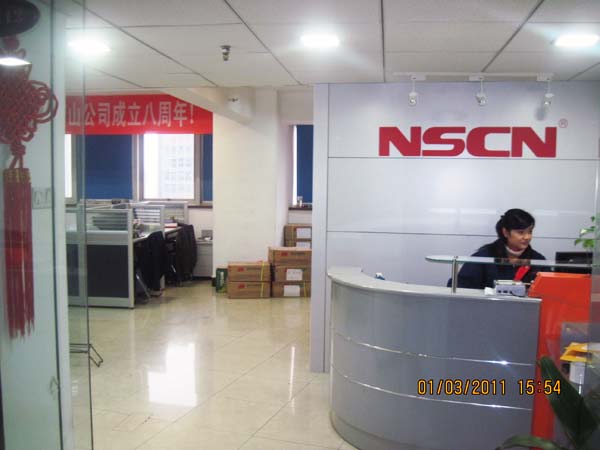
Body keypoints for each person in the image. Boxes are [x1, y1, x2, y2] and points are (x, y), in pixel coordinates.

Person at [448, 208, 546, 289]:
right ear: (505, 232)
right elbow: (458, 286)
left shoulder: (538, 260)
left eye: (530, 232)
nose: (527, 237)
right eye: (521, 232)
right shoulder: (484, 257)